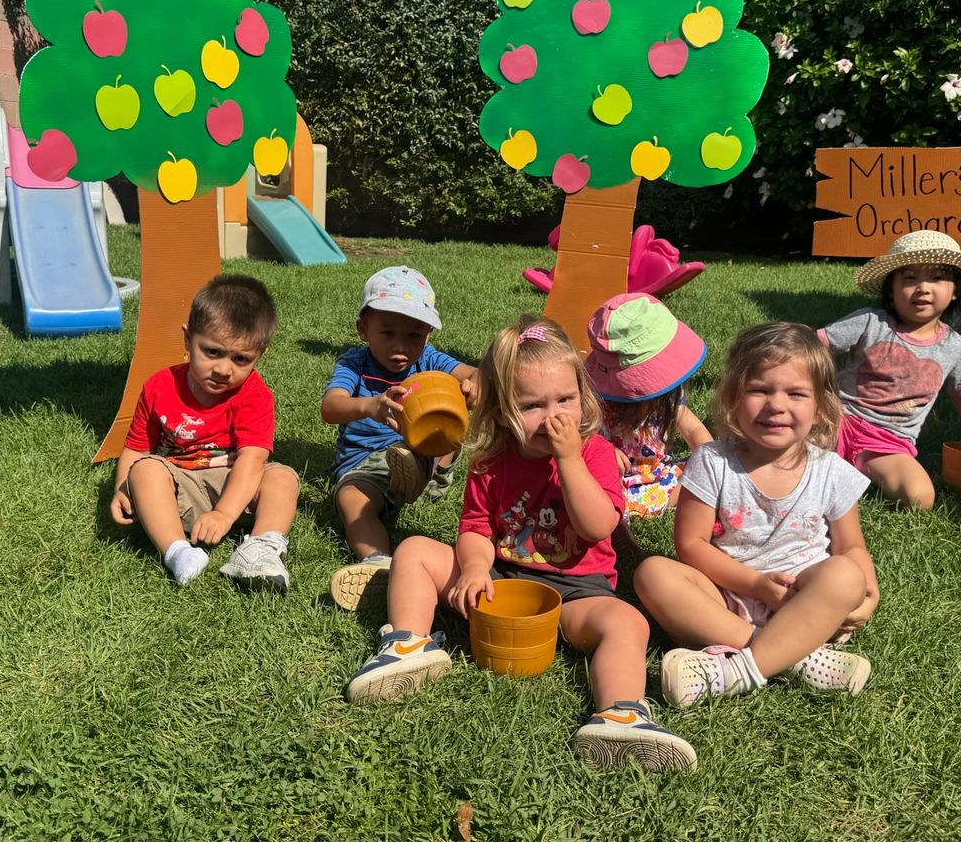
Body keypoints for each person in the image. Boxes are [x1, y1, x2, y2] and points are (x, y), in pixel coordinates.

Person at [344, 316, 698, 772]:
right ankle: (409, 646)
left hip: (578, 590)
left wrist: (569, 462)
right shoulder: (492, 462)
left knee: (627, 622)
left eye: (566, 399)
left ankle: (621, 714)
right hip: (501, 581)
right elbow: (475, 528)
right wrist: (472, 569)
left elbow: (597, 526)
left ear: (583, 395)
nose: (554, 416)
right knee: (413, 549)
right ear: (501, 410)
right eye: (532, 405)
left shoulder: (592, 453)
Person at [634, 322, 878, 706]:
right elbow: (690, 545)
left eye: (796, 393)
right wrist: (756, 585)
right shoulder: (712, 461)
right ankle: (793, 654)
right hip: (723, 597)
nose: (776, 405)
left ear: (820, 409)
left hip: (803, 599)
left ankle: (732, 671)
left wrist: (870, 594)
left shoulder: (831, 471)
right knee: (652, 574)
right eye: (759, 390)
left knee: (846, 575)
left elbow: (852, 548)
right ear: (733, 398)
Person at [109, 274, 299, 589]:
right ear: (188, 340)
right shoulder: (159, 387)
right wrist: (121, 489)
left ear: (259, 355)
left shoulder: (255, 395)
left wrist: (224, 514)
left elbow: (252, 460)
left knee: (283, 478)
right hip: (181, 490)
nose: (224, 369)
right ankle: (178, 552)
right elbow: (137, 447)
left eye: (241, 359)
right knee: (142, 471)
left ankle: (261, 550)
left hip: (237, 485)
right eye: (212, 352)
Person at [820, 229, 961, 509]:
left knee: (920, 497)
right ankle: (827, 460)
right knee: (775, 449)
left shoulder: (954, 346)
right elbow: (812, 345)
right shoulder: (870, 322)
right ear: (891, 290)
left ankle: (856, 464)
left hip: (889, 443)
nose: (923, 287)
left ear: (955, 291)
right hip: (837, 419)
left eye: (937, 277)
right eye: (910, 277)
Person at [322, 266, 477, 611]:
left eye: (414, 336)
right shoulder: (354, 364)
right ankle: (380, 564)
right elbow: (330, 407)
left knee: (435, 428)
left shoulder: (429, 361)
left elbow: (474, 374)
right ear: (364, 330)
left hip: (417, 447)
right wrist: (368, 405)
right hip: (362, 465)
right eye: (388, 332)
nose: (401, 346)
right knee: (352, 500)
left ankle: (425, 470)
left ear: (427, 336)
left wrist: (474, 383)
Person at [585, 293, 713, 519]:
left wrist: (712, 462)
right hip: (616, 481)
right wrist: (602, 450)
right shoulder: (595, 399)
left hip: (660, 472)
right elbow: (577, 436)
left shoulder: (667, 397)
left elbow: (693, 429)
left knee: (704, 473)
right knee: (602, 498)